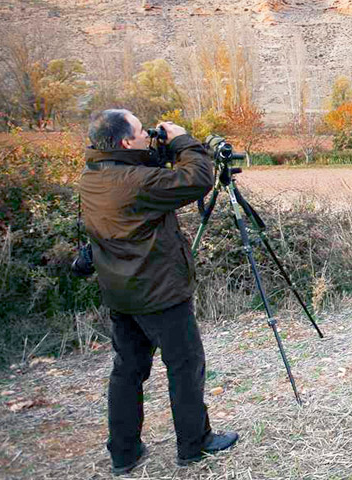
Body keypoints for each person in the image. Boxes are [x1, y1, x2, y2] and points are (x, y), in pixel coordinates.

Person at [77, 110, 238, 475]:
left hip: (120, 292)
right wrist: (182, 140)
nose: (146, 136)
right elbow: (197, 179)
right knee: (184, 366)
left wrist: (158, 152)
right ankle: (194, 444)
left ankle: (124, 452)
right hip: (159, 292)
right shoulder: (136, 181)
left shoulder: (93, 176)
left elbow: (140, 171)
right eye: (140, 132)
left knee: (128, 371)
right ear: (124, 143)